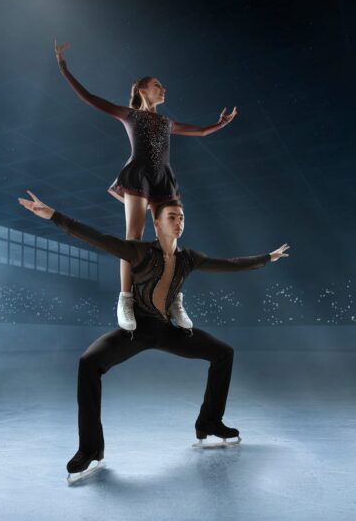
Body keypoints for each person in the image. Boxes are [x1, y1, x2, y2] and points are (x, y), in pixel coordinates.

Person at [17, 189, 289, 481]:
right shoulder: (140, 252)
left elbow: (229, 264)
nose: (178, 221)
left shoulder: (190, 259)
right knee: (88, 363)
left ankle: (209, 421)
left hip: (168, 330)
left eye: (181, 217)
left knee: (223, 353)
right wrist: (53, 216)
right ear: (157, 224)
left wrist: (266, 258)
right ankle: (91, 449)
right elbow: (96, 238)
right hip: (138, 330)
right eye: (171, 217)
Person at [53, 40, 239, 332]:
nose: (163, 89)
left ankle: (173, 297)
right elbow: (89, 97)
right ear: (142, 90)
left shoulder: (167, 121)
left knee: (170, 239)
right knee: (134, 237)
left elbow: (201, 131)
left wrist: (220, 124)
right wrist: (64, 68)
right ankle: (125, 300)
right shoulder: (130, 115)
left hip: (164, 178)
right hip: (138, 176)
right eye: (157, 85)